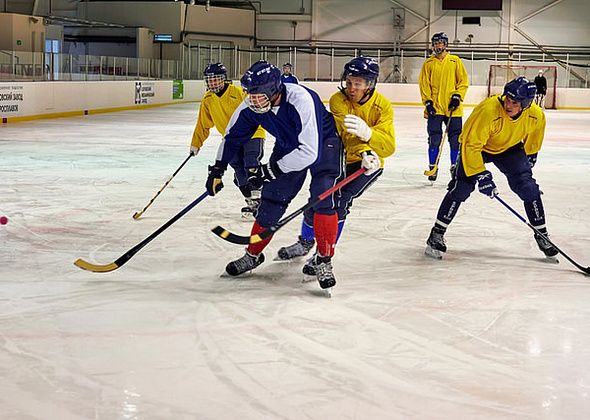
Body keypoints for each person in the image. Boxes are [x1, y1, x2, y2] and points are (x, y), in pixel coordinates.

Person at [205, 60, 344, 290]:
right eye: (250, 94)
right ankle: (253, 255)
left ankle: (324, 259)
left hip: (324, 144)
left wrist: (270, 170)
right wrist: (218, 169)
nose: (253, 99)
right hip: (289, 145)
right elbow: (231, 138)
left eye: (258, 95)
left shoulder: (300, 99)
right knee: (272, 199)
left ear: (273, 90)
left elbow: (309, 152)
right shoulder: (251, 105)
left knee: (323, 199)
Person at [276, 57, 395, 276]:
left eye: (358, 84)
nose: (351, 88)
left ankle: (323, 254)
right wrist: (364, 148)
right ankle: (305, 242)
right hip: (341, 158)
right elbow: (345, 134)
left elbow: (388, 147)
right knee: (318, 200)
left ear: (370, 84)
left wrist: (370, 135)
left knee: (340, 202)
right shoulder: (338, 100)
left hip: (369, 165)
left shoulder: (382, 106)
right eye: (349, 82)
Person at [424, 76, 558, 261]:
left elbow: (534, 138)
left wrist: (527, 161)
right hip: (478, 148)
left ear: (526, 104)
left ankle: (542, 234)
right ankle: (436, 233)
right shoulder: (488, 110)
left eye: (515, 102)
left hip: (509, 148)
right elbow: (470, 145)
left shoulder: (536, 115)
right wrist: (480, 174)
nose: (508, 105)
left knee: (528, 188)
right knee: (462, 187)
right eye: (508, 99)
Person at [190, 62, 265, 217]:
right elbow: (203, 124)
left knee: (251, 162)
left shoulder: (238, 93)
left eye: (216, 79)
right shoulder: (208, 99)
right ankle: (252, 202)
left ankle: (260, 197)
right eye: (209, 80)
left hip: (253, 132)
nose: (212, 83)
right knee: (238, 170)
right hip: (231, 139)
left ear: (224, 79)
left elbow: (257, 110)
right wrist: (196, 143)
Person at [419, 32, 469, 182]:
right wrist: (427, 102)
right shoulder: (428, 64)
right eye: (435, 43)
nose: (437, 45)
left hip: (453, 108)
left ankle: (455, 166)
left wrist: (457, 96)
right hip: (435, 108)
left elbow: (463, 81)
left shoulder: (455, 61)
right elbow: (424, 84)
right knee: (434, 139)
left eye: (440, 42)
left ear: (446, 44)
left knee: (455, 140)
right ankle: (432, 166)